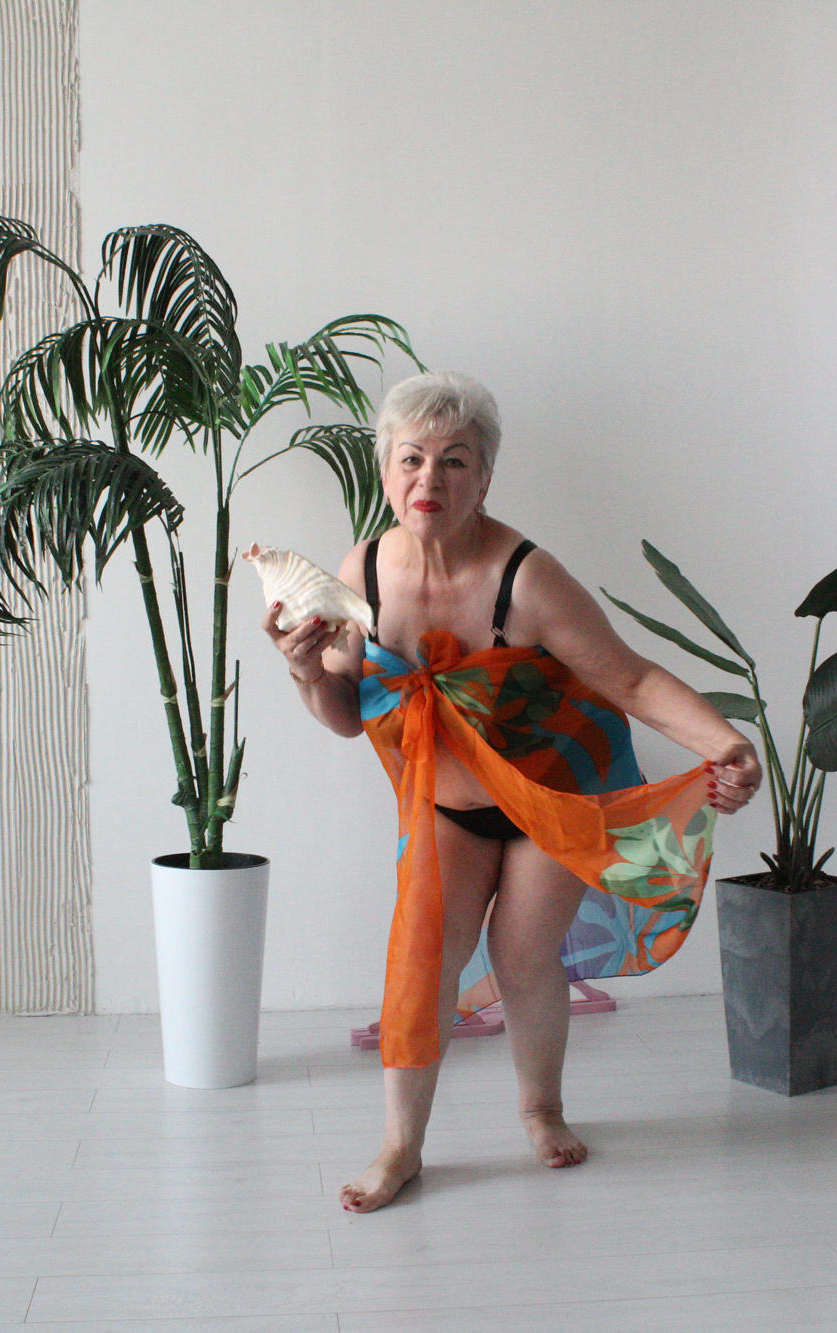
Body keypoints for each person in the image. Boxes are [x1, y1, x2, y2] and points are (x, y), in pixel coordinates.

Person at [263, 371, 763, 1213]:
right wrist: (307, 671)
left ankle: (542, 1107)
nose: (430, 478)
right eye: (412, 458)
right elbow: (347, 715)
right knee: (423, 955)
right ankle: (400, 1146)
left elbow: (631, 678)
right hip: (445, 807)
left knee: (523, 956)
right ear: (385, 471)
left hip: (547, 799)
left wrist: (724, 743)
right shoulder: (363, 573)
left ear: (485, 478)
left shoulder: (525, 578)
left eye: (454, 460)